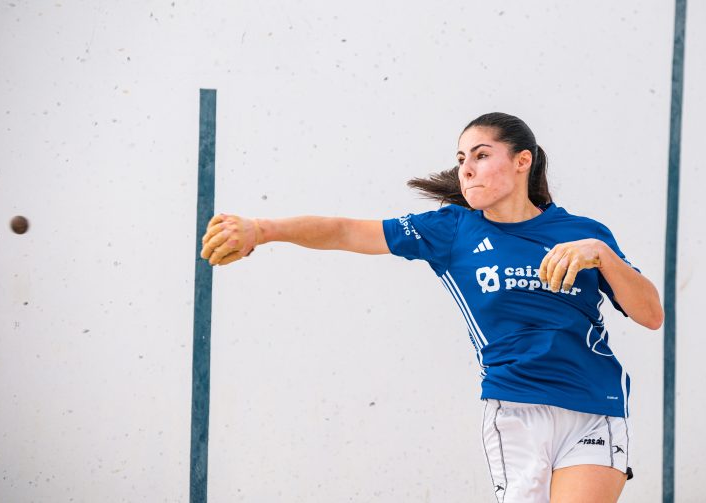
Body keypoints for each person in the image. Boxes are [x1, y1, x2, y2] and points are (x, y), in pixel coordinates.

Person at [200, 112, 664, 503]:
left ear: (522, 161)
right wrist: (262, 229)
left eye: (481, 155)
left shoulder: (585, 233)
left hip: (594, 405)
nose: (467, 170)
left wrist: (602, 255)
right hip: (516, 411)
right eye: (461, 160)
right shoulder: (450, 230)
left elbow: (651, 314)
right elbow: (345, 230)